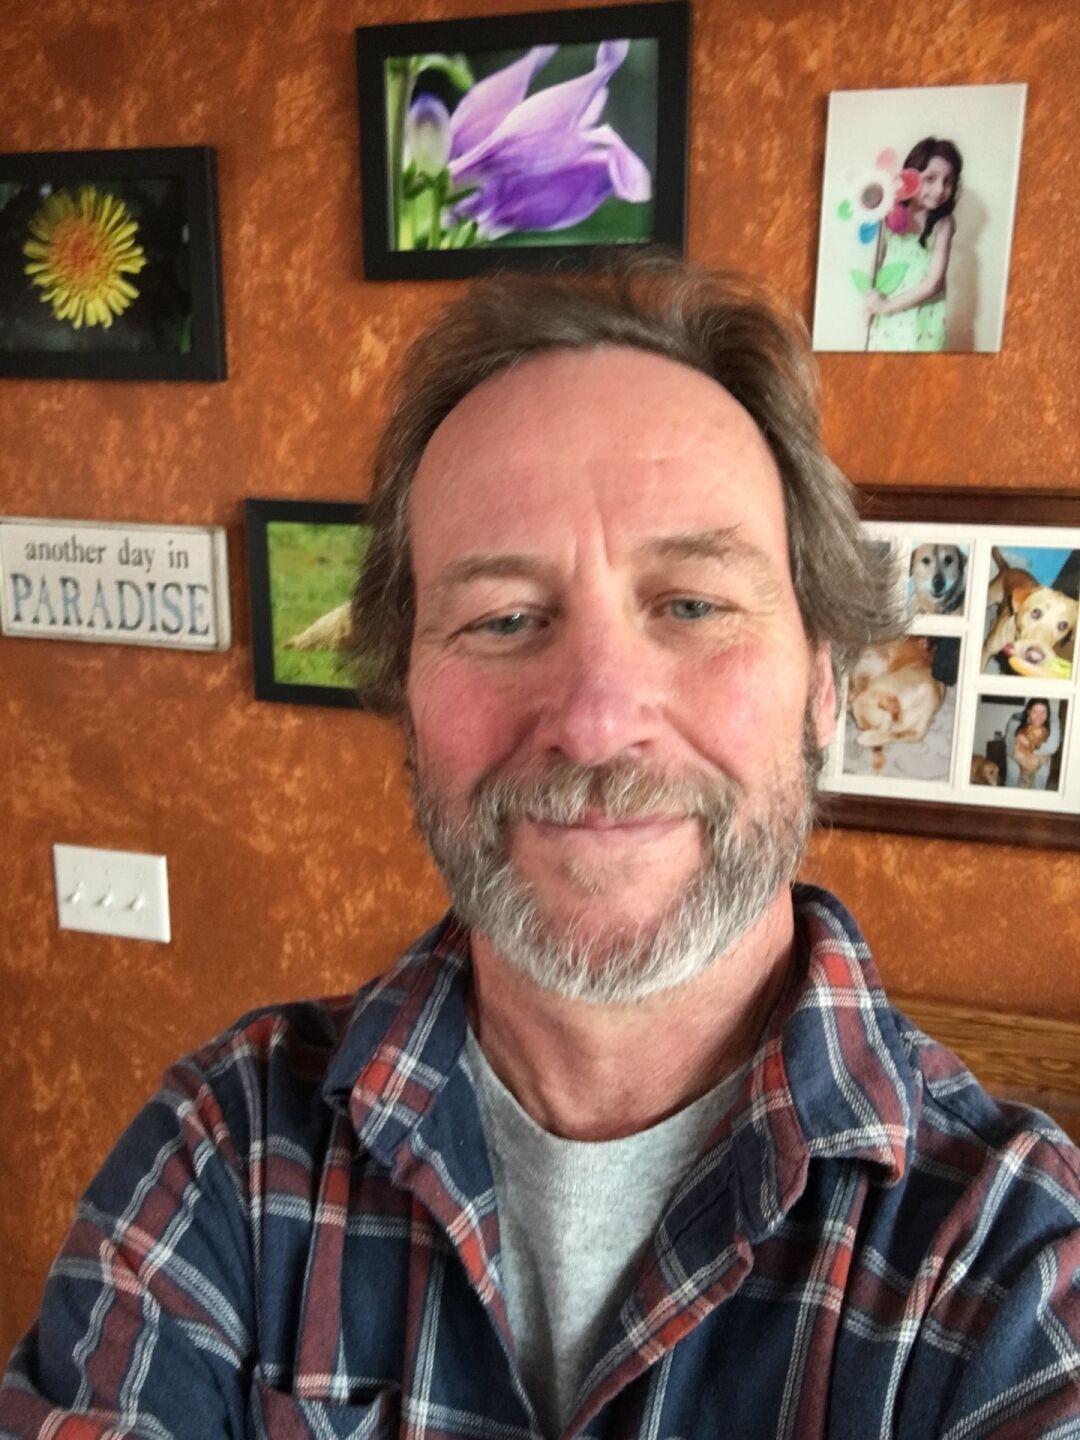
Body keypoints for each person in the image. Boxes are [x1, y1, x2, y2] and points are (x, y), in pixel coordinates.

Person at [3, 257, 1079, 1439]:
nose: (597, 719)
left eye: (692, 604)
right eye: (505, 618)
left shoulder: (1011, 1261)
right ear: (408, 701)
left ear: (823, 682)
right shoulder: (231, 1153)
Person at [865, 136, 963, 351]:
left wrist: (886, 307)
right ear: (910, 176)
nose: (940, 189)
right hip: (886, 315)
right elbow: (877, 262)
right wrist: (871, 302)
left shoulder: (943, 223)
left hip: (920, 319)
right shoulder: (889, 214)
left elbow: (934, 283)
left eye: (948, 181)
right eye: (931, 178)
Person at [1006, 696, 1061, 789]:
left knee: (1039, 781)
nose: (1039, 716)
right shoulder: (1016, 719)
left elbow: (1052, 747)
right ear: (1028, 712)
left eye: (1043, 712)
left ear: (1048, 713)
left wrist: (1027, 744)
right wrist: (1024, 759)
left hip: (1040, 756)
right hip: (1015, 754)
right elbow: (1010, 743)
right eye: (1035, 711)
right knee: (1013, 780)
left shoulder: (1053, 720)